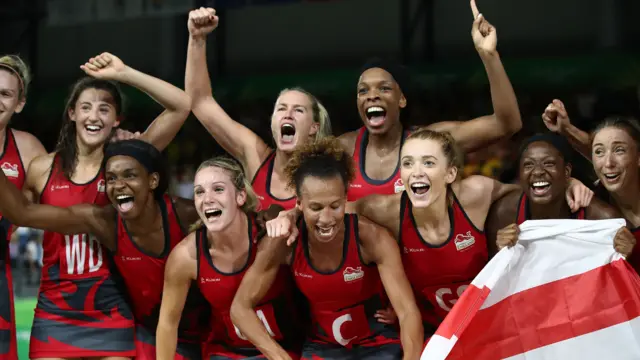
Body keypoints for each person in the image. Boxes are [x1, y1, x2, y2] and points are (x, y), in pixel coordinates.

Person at [266, 129, 593, 338]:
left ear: (451, 173)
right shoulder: (385, 210)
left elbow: (536, 193)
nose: (416, 172)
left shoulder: (477, 194)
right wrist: (291, 213)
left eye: (428, 163)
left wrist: (570, 183)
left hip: (489, 330)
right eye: (407, 163)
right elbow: (328, 210)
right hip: (433, 335)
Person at [25, 53, 192, 360]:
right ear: (72, 113)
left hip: (113, 308)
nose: (94, 116)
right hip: (54, 310)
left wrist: (124, 73)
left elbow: (181, 105)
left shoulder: (128, 161)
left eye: (105, 109)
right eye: (86, 107)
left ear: (117, 119)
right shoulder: (41, 168)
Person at [0, 139, 211, 360]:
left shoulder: (186, 214)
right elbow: (22, 213)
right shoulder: (107, 223)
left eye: (129, 175)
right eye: (111, 178)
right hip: (150, 330)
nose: (118, 184)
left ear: (153, 180)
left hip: (202, 328)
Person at [230, 137, 423, 360]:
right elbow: (240, 308)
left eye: (335, 206)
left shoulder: (370, 238)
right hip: (322, 348)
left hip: (377, 344)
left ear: (345, 199)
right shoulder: (285, 242)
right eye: (315, 208)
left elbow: (408, 312)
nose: (326, 218)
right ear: (299, 204)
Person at [342, 0, 522, 201]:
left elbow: (507, 124)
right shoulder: (343, 149)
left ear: (402, 99)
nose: (372, 96)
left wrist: (489, 55)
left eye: (384, 88)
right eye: (363, 91)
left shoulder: (433, 141)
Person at [157, 157, 304, 360]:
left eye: (218, 189)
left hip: (289, 348)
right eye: (199, 191)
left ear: (240, 196)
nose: (207, 198)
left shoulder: (270, 232)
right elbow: (167, 324)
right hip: (229, 353)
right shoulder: (186, 257)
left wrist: (292, 214)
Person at [185, 7, 331, 211]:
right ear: (272, 122)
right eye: (281, 109)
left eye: (298, 110)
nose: (287, 114)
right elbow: (201, 102)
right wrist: (197, 39)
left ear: (314, 127)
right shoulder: (256, 157)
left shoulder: (328, 175)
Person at [485, 133, 636, 257]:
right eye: (528, 165)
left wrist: (626, 255)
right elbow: (491, 280)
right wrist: (500, 251)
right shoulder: (504, 214)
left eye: (549, 163)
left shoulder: (602, 219)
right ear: (519, 173)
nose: (538, 171)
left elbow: (617, 282)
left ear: (566, 172)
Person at [543, 106, 640, 270]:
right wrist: (565, 183)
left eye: (620, 150)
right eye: (599, 152)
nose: (608, 163)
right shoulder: (591, 205)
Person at [0, 54, 47, 360]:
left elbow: (69, 192)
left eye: (5, 94)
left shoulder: (27, 149)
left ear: (19, 103)